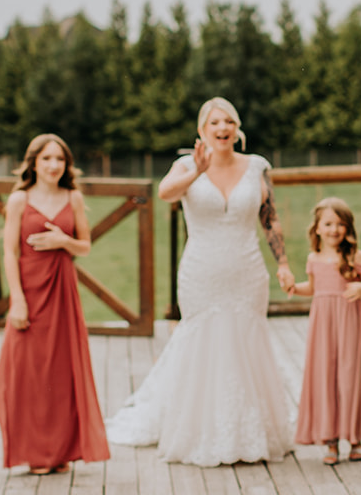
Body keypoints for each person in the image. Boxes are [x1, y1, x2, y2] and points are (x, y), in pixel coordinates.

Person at [105, 97, 297, 466]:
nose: (223, 128)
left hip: (247, 270)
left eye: (229, 122)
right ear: (202, 130)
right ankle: (200, 430)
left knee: (247, 341)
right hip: (202, 271)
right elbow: (166, 193)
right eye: (215, 123)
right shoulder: (185, 166)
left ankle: (249, 430)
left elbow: (269, 217)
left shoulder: (256, 166)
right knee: (202, 341)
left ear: (237, 129)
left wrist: (284, 264)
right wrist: (197, 171)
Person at [0, 133, 110, 474]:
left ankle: (61, 452)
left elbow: (85, 246)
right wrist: (17, 300)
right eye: (46, 158)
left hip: (62, 292)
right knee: (27, 371)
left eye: (59, 159)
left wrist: (64, 241)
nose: (53, 165)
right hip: (29, 290)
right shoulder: (19, 199)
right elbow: (10, 252)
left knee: (61, 370)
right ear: (33, 163)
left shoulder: (73, 197)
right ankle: (35, 452)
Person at [290, 197, 361, 466]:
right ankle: (330, 439)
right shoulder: (313, 258)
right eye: (328, 224)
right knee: (324, 375)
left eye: (340, 224)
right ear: (317, 228)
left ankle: (353, 438)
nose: (334, 229)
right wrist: (293, 287)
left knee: (349, 376)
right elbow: (313, 288)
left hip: (348, 320)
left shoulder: (355, 256)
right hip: (322, 323)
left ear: (348, 228)